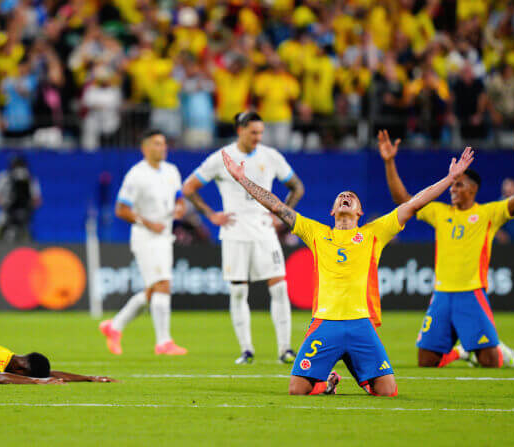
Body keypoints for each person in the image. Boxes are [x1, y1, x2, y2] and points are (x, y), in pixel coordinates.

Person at [221, 145, 475, 396]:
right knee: (297, 390)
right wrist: (242, 179)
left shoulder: (374, 233)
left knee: (387, 392)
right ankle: (328, 381)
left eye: (351, 197)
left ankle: (358, 373)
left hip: (360, 324)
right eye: (341, 196)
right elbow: (277, 206)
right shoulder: (317, 233)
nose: (346, 197)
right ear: (332, 211)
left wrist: (450, 178)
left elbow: (415, 202)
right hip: (325, 323)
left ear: (359, 212)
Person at [378, 129, 514, 368]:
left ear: (473, 189)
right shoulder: (440, 213)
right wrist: (389, 162)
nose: (453, 189)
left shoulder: (488, 213)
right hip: (441, 294)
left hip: (471, 293)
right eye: (452, 186)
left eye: (459, 185)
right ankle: (461, 353)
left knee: (491, 362)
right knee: (426, 361)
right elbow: (403, 200)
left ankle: (502, 352)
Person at [182, 111, 305, 364]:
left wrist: (281, 217)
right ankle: (246, 349)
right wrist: (210, 215)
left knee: (280, 288)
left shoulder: (271, 156)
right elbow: (188, 187)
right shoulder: (221, 158)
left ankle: (285, 349)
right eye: (253, 132)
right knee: (238, 292)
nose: (258, 138)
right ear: (240, 130)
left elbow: (297, 187)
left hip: (264, 231)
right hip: (235, 231)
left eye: (260, 132)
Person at [100, 129, 188, 356]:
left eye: (164, 143)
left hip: (165, 236)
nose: (162, 148)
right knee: (163, 285)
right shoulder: (136, 175)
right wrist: (147, 222)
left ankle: (114, 326)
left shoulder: (172, 171)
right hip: (145, 237)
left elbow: (179, 199)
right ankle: (164, 342)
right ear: (145, 148)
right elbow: (121, 209)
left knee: (152, 290)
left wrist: (180, 207)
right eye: (157, 144)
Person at [0, 156, 42, 242]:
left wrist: (26, 207)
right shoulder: (4, 177)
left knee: (26, 239)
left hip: (24, 216)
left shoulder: (30, 179)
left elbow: (37, 200)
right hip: (5, 214)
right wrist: (5, 204)